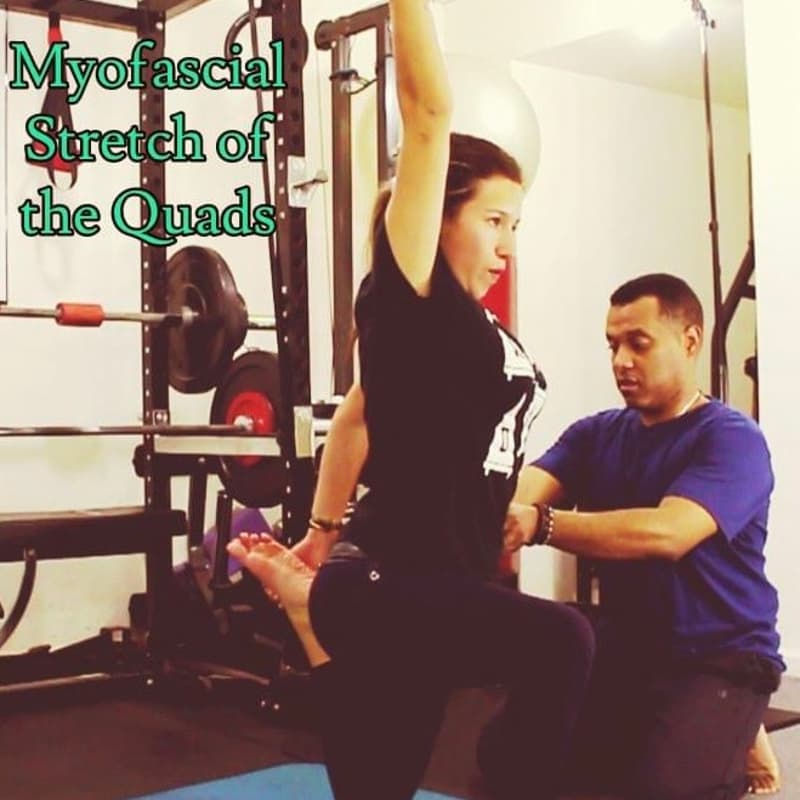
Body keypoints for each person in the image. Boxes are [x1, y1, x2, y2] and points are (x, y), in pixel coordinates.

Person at [227, 2, 596, 799]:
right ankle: (320, 611)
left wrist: (320, 533)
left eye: (516, 225)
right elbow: (428, 114)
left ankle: (310, 611)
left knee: (377, 786)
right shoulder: (411, 294)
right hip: (400, 581)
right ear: (439, 216)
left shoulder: (457, 328)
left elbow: (357, 413)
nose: (507, 245)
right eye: (493, 220)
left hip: (423, 581)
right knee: (564, 638)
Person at [503, 273, 784, 799]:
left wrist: (542, 524)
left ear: (691, 341)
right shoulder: (596, 433)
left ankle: (736, 725)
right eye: (613, 345)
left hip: (720, 655)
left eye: (639, 343)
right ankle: (734, 733)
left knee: (660, 790)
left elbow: (667, 533)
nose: (621, 361)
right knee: (512, 758)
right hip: (634, 645)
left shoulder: (732, 440)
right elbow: (519, 495)